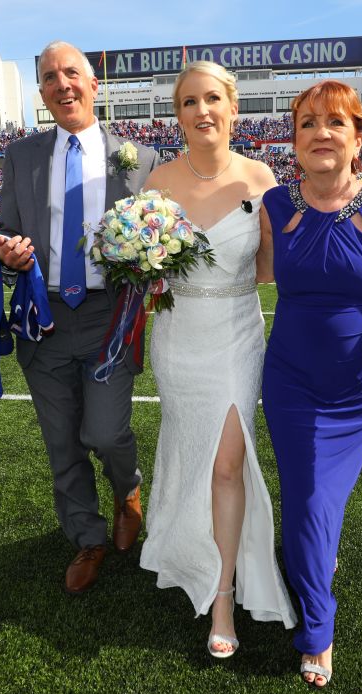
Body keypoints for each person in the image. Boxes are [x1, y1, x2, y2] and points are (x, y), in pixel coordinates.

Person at [137, 61, 297, 659]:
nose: (201, 111)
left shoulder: (262, 178)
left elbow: (270, 270)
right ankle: (188, 547)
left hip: (236, 335)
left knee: (228, 462)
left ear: (232, 107)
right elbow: (146, 270)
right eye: (188, 102)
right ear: (177, 113)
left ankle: (224, 593)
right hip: (178, 339)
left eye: (211, 99)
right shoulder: (156, 183)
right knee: (192, 453)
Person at [260, 80, 362, 687]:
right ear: (294, 139)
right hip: (292, 380)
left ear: (357, 138)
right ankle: (317, 629)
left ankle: (309, 591)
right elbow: (246, 275)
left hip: (358, 386)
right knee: (307, 501)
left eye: (335, 123)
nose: (320, 133)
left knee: (318, 504)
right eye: (307, 124)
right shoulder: (275, 205)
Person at [0, 41, 159, 595]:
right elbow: (6, 234)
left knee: (105, 431)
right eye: (48, 77)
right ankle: (86, 538)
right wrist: (11, 254)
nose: (61, 84)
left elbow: (157, 237)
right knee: (62, 442)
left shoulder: (140, 157)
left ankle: (127, 488)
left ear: (93, 84)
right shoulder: (21, 156)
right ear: (41, 92)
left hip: (110, 314)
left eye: (71, 74)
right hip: (45, 316)